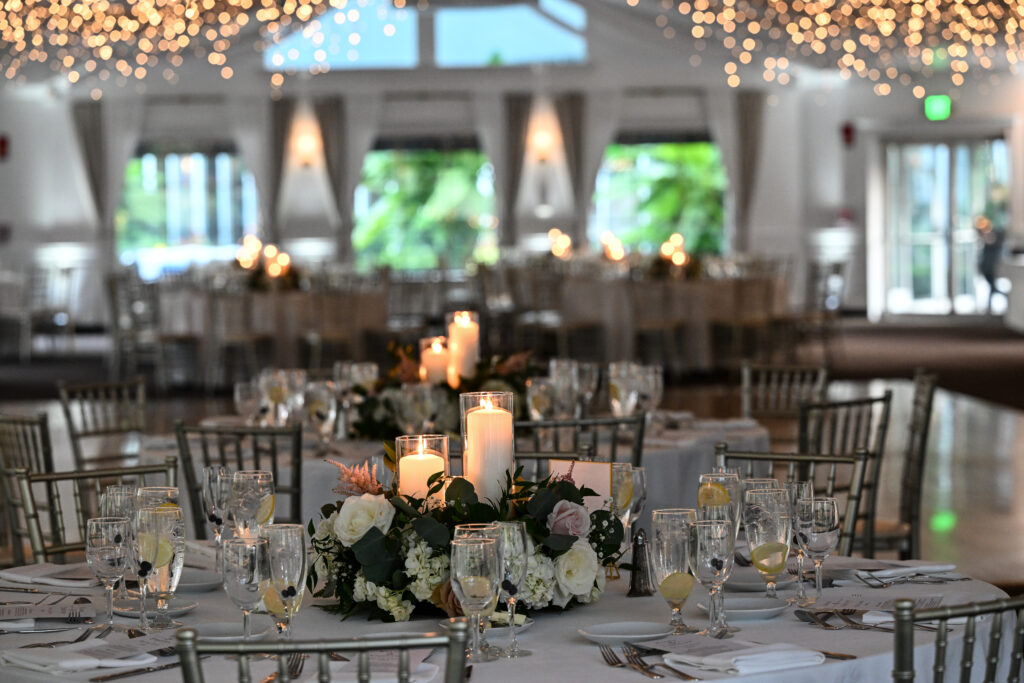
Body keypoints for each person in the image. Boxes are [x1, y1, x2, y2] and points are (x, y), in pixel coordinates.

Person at [975, 185, 1008, 314]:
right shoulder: (989, 212)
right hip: (987, 260)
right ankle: (1003, 300)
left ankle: (1001, 301)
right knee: (991, 283)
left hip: (992, 259)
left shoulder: (1001, 214)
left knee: (992, 284)